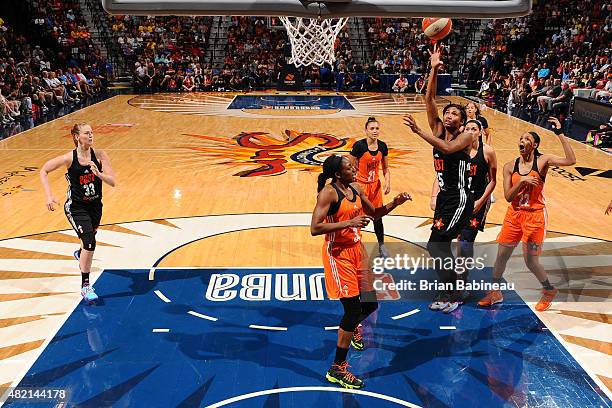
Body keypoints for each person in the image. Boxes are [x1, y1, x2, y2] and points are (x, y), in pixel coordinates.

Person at [311, 155, 410, 389]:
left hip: (358, 251)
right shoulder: (329, 193)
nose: (354, 169)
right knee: (352, 309)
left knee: (371, 304)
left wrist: (395, 202)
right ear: (337, 174)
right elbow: (315, 227)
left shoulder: (355, 187)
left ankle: (352, 327)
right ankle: (337, 368)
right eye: (348, 167)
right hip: (339, 255)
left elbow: (374, 214)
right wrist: (349, 223)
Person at [478, 117, 576, 312]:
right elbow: (507, 196)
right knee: (501, 256)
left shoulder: (543, 161)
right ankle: (495, 292)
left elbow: (571, 160)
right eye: (521, 138)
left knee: (530, 261)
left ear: (535, 144)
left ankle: (549, 290)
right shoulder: (509, 166)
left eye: (527, 138)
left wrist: (560, 133)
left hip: (535, 216)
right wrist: (522, 182)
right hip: (514, 214)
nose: (522, 140)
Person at [403, 42, 473, 314]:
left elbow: (446, 148)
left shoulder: (466, 136)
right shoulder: (438, 127)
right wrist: (433, 69)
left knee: (437, 245)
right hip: (446, 198)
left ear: (462, 120)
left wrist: (419, 132)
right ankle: (453, 286)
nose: (448, 114)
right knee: (436, 247)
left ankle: (453, 291)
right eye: (448, 112)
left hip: (459, 198)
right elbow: (429, 100)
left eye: (455, 113)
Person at [39, 123, 117, 303]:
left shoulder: (100, 155)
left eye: (92, 132)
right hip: (76, 208)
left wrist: (99, 174)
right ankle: (85, 286)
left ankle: (79, 252)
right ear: (76, 136)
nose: (91, 136)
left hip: (96, 206)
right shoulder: (69, 158)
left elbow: (112, 182)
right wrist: (49, 196)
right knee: (90, 243)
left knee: (87, 243)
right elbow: (44, 170)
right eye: (86, 133)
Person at [456, 119, 497, 300]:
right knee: (460, 240)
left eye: (474, 129)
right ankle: (460, 274)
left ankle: (462, 283)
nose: (471, 131)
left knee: (466, 241)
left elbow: (493, 180)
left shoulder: (487, 151)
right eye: (467, 129)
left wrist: (481, 202)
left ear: (480, 132)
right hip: (459, 200)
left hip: (477, 200)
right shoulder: (457, 148)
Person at [350, 117, 391, 258]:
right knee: (358, 218)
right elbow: (350, 167)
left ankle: (382, 246)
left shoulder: (383, 146)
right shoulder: (359, 146)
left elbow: (386, 168)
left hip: (375, 187)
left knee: (378, 217)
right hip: (360, 187)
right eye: (372, 128)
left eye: (377, 128)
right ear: (366, 131)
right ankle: (355, 247)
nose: (375, 131)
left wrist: (388, 182)